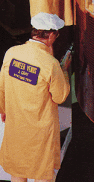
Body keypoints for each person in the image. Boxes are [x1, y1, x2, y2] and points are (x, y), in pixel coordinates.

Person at [0, 12, 72, 182]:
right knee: (42, 173)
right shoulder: (51, 64)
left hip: (16, 125)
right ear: (52, 34)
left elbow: (1, 87)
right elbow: (60, 96)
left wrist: (3, 110)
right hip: (40, 133)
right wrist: (64, 70)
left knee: (18, 170)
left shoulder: (12, 53)